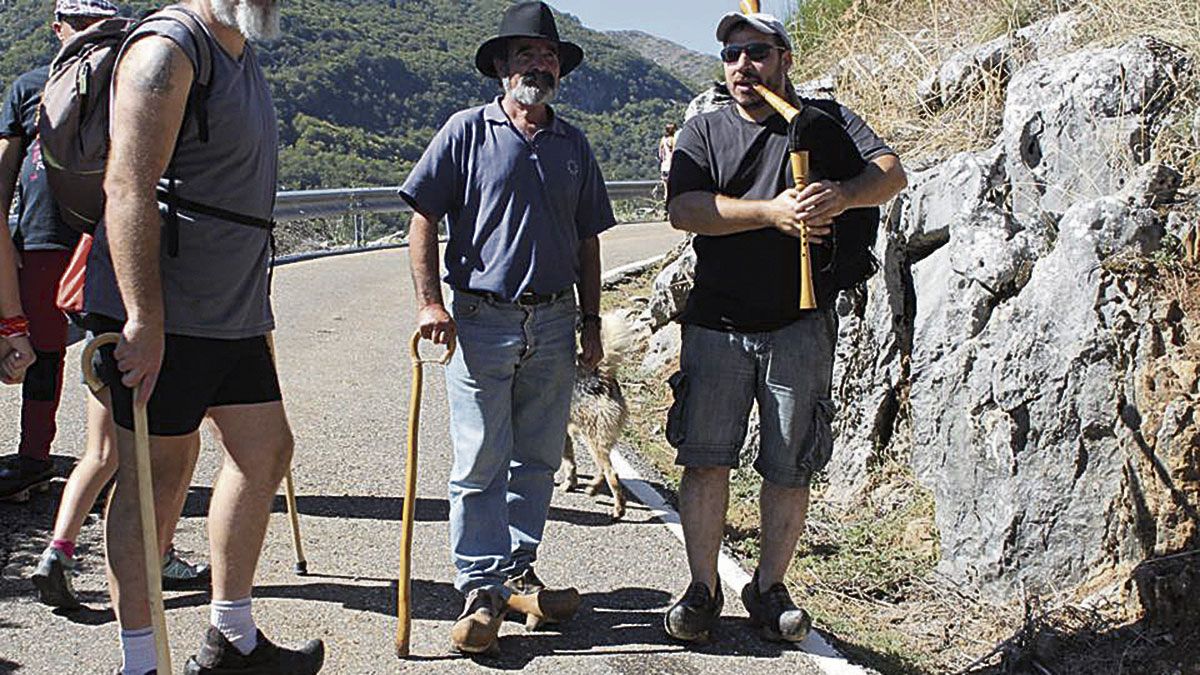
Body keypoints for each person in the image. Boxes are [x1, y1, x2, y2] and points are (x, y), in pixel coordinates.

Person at [82, 1, 323, 672]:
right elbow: (126, 184)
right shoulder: (168, 48)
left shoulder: (237, 49)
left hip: (231, 309)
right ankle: (141, 661)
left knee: (266, 449)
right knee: (156, 478)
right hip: (169, 307)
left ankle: (230, 637)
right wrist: (142, 317)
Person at [662, 11, 907, 644]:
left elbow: (890, 173)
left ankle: (769, 590)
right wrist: (769, 212)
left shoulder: (822, 122)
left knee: (789, 464)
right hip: (716, 321)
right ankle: (702, 588)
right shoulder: (704, 132)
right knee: (706, 459)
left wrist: (843, 196)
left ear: (784, 59)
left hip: (801, 322)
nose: (743, 66)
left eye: (757, 53)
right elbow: (685, 209)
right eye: (732, 55)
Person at [400, 0, 615, 655]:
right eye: (525, 54)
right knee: (479, 460)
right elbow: (422, 218)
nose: (539, 64)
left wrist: (590, 322)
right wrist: (429, 303)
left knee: (539, 458)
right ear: (501, 66)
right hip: (480, 319)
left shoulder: (573, 143)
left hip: (553, 320)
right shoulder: (465, 131)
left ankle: (516, 570)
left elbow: (587, 240)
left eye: (548, 55)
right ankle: (478, 589)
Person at [0, 0, 210, 609]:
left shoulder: (32, 87)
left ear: (58, 28)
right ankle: (156, 559)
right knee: (174, 437)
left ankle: (56, 548)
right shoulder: (143, 72)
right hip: (116, 265)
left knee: (98, 438)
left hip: (49, 246)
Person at [0, 0, 115, 501]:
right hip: (48, 236)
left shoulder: (126, 78)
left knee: (110, 353)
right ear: (57, 28)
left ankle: (108, 463)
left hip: (100, 237)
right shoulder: (29, 86)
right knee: (41, 353)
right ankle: (34, 458)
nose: (86, 34)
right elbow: (4, 171)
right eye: (78, 24)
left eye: (96, 24)